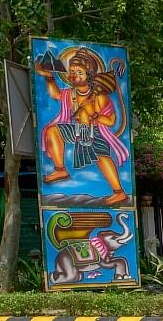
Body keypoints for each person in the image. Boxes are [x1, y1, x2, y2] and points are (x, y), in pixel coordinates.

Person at [36, 47, 130, 206]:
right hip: (76, 130)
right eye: (72, 71)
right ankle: (60, 169)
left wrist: (94, 114)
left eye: (79, 72)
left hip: (94, 131)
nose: (74, 75)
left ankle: (119, 192)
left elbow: (111, 120)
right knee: (53, 131)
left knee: (102, 157)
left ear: (89, 74)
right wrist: (49, 77)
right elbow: (55, 94)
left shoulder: (99, 95)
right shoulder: (70, 93)